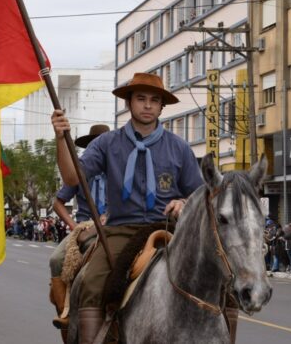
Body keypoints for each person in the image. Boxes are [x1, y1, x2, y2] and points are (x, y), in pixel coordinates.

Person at [51, 72, 202, 344]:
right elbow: (73, 178)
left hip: (171, 228)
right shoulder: (107, 144)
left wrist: (184, 202)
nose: (147, 105)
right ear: (129, 103)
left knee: (220, 281)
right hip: (121, 230)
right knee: (91, 283)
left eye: (154, 100)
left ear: (161, 107)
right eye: (141, 98)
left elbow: (200, 195)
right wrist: (61, 139)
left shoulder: (179, 148)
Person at [48, 124, 109, 334]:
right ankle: (64, 311)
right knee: (56, 260)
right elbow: (57, 202)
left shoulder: (120, 168)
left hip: (115, 225)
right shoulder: (80, 172)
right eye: (94, 145)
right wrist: (74, 225)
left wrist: (111, 215)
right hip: (84, 226)